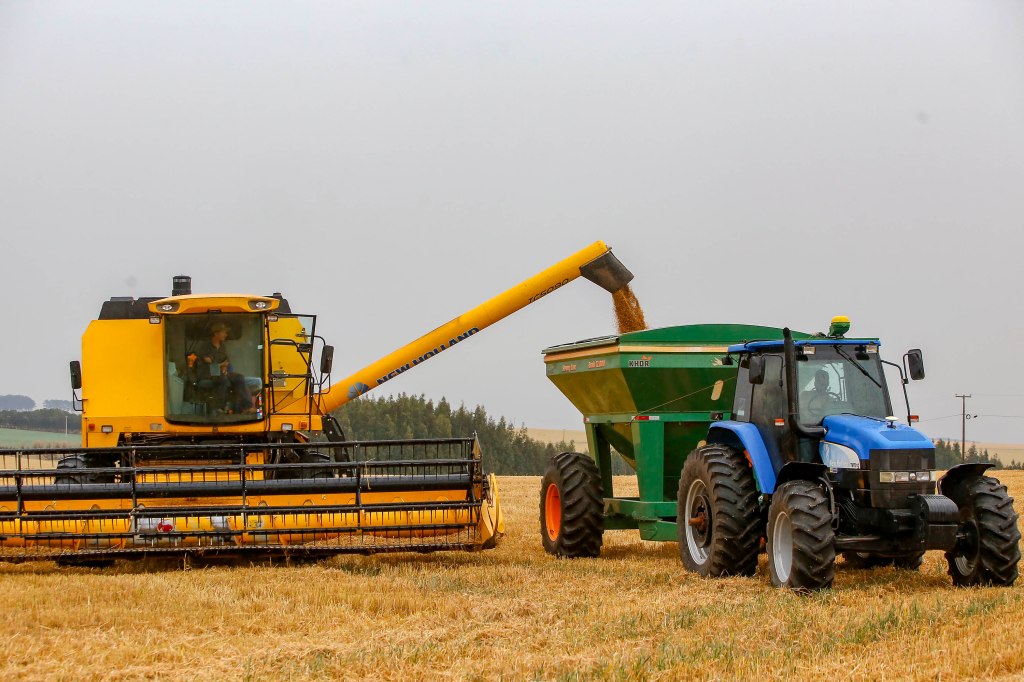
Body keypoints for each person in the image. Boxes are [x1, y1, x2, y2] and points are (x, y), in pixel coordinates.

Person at [193, 322, 252, 414]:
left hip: (220, 372)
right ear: (216, 333)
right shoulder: (205, 346)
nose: (226, 334)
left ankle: (246, 407)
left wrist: (224, 367)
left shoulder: (222, 347)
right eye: (224, 332)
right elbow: (208, 362)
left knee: (239, 377)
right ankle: (219, 408)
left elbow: (226, 361)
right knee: (222, 379)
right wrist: (221, 365)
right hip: (207, 374)